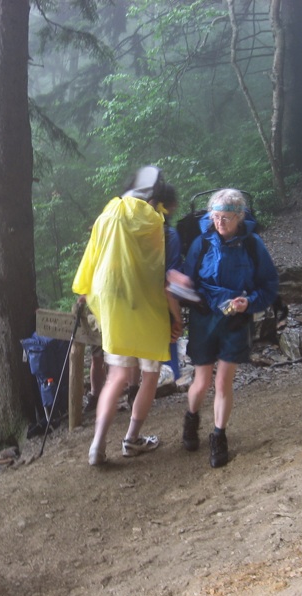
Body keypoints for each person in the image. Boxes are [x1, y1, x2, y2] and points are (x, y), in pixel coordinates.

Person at [72, 165, 182, 466]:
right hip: (149, 307)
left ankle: (97, 446)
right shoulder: (159, 226)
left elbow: (90, 260)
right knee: (149, 374)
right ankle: (132, 440)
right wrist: (177, 318)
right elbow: (168, 279)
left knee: (117, 376)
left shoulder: (108, 215)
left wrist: (84, 290)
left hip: (113, 304)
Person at [179, 189, 279, 468]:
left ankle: (218, 436)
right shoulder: (201, 243)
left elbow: (269, 286)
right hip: (204, 319)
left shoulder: (252, 244)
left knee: (223, 381)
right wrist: (196, 300)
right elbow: (188, 282)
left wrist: (249, 302)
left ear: (240, 217)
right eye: (216, 217)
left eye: (226, 218)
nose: (220, 223)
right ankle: (191, 418)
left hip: (236, 320)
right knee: (201, 382)